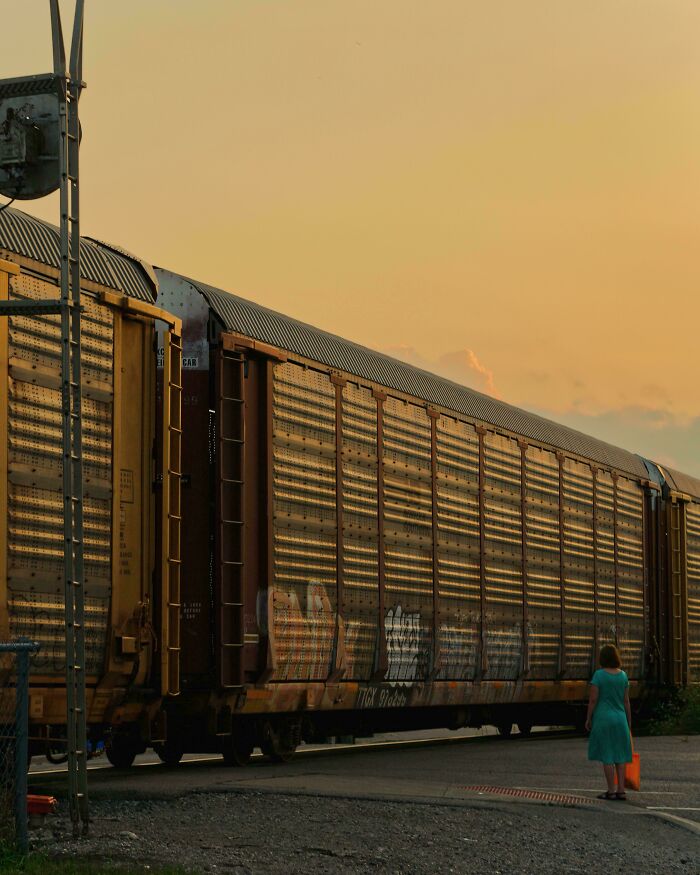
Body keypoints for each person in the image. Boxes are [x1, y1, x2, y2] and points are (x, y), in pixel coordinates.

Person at [585, 643, 632, 800]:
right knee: (620, 756)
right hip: (620, 719)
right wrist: (629, 721)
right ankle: (621, 790)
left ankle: (610, 791)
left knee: (608, 757)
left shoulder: (598, 675)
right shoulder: (623, 676)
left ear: (602, 658)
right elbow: (626, 702)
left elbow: (593, 700)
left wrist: (588, 718)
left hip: (603, 719)